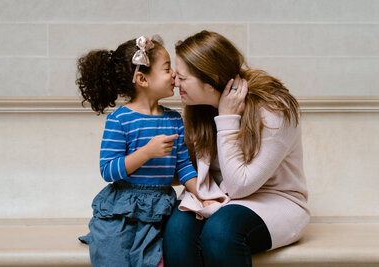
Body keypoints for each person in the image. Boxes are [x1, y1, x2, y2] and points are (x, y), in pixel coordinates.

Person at [163, 30, 310, 267]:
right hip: (217, 196)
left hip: (275, 201)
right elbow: (186, 173)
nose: (175, 82)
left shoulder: (274, 108)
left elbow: (240, 185)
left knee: (221, 231)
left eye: (182, 77)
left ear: (209, 78)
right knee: (177, 231)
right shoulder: (199, 109)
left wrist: (227, 118)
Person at [76, 35, 200, 267]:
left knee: (156, 258)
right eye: (167, 69)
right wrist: (147, 152)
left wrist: (203, 194)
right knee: (113, 257)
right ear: (142, 79)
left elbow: (183, 166)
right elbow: (108, 170)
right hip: (122, 209)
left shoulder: (174, 119)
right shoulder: (120, 120)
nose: (174, 74)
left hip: (160, 208)